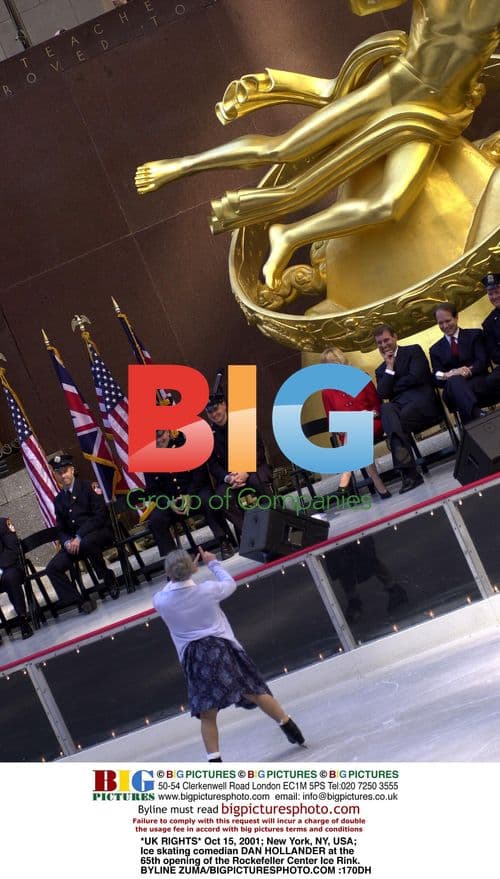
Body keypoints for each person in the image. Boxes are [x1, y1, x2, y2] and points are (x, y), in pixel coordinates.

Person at [135, 1, 499, 289]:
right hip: (395, 87)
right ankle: (182, 165)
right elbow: (365, 4)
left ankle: (290, 235)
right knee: (284, 147)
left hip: (433, 113)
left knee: (389, 204)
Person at [153, 546, 305, 761]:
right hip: (220, 649)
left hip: (195, 658)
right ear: (193, 569)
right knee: (254, 690)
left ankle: (215, 761)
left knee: (208, 713)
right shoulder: (207, 590)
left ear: (169, 573)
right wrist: (213, 563)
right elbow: (229, 584)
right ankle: (290, 727)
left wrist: (186, 570)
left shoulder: (161, 601)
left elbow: (169, 588)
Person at [142, 430, 235, 560]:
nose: (158, 440)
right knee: (156, 520)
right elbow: (152, 490)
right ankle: (173, 560)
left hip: (195, 492)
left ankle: (224, 541)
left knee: (208, 500)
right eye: (154, 438)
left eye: (161, 435)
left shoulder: (184, 445)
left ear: (168, 433)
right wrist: (168, 502)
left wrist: (189, 494)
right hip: (172, 502)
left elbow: (199, 474)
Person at [374, 323, 442, 493]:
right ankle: (410, 473)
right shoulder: (381, 369)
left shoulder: (413, 351)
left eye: (386, 340)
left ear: (395, 337)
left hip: (422, 404)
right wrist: (390, 368)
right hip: (400, 409)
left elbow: (418, 377)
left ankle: (409, 474)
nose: (384, 345)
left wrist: (394, 386)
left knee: (394, 424)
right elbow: (383, 394)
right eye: (379, 343)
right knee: (387, 410)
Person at [46, 454, 119, 613]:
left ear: (72, 470)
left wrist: (79, 536)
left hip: (99, 534)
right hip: (74, 544)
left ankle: (107, 578)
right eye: (59, 472)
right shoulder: (58, 500)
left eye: (65, 470)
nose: (63, 475)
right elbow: (61, 528)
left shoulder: (89, 487)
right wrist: (66, 542)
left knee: (86, 542)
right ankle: (79, 601)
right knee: (52, 568)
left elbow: (99, 516)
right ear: (55, 475)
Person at [320, 347, 390, 499]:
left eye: (335, 363)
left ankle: (347, 480)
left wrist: (370, 414)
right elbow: (333, 421)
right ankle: (377, 483)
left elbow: (377, 405)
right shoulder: (326, 392)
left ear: (342, 362)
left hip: (372, 423)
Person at [206, 393, 273, 541]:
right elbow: (213, 465)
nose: (214, 414)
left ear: (224, 405)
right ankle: (251, 533)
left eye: (216, 409)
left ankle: (275, 524)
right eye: (210, 412)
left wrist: (245, 471)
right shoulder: (209, 435)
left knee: (258, 483)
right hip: (230, 477)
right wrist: (229, 478)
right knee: (219, 499)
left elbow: (258, 449)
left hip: (253, 468)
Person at [429, 302, 498, 423]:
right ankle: (478, 414)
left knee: (460, 388)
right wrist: (450, 374)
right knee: (455, 381)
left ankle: (475, 419)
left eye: (448, 321)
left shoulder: (474, 335)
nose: (445, 326)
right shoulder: (435, 349)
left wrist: (468, 371)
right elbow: (436, 375)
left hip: (478, 383)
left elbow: (483, 361)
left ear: (456, 317)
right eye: (440, 323)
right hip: (451, 391)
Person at [0, 516, 33, 641]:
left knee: (10, 577)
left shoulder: (3, 523)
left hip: (10, 567)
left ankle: (22, 619)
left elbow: (13, 550)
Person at [481, 272, 500, 389]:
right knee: (490, 381)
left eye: (497, 292)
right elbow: (494, 354)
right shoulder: (488, 323)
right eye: (490, 294)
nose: (494, 297)